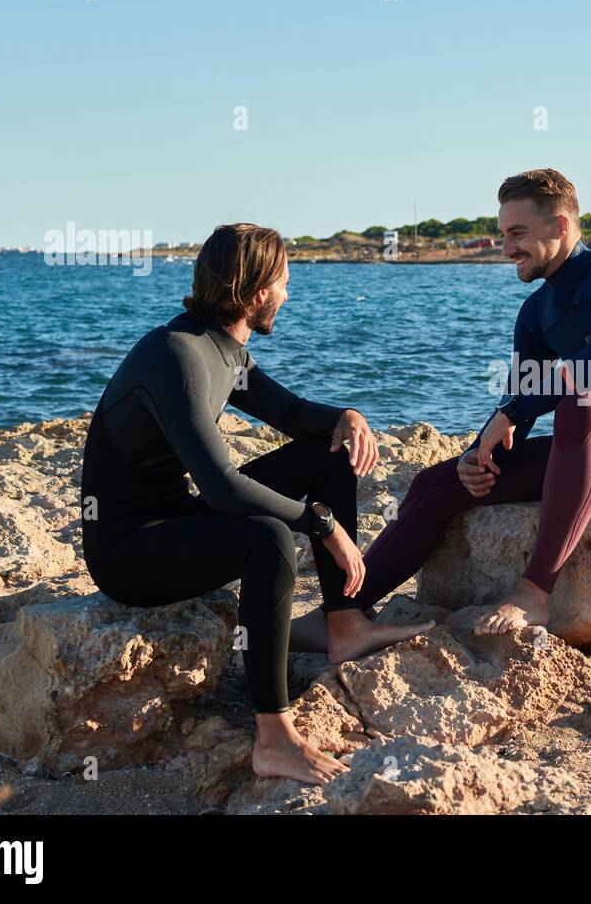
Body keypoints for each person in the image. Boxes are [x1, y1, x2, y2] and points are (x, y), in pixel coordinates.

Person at [79, 223, 431, 786]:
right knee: (266, 538)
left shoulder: (222, 349)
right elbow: (222, 489)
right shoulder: (176, 355)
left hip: (177, 519)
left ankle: (343, 623)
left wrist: (347, 417)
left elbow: (290, 414)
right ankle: (274, 739)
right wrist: (322, 524)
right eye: (285, 283)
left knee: (329, 452)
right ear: (255, 292)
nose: (289, 295)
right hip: (127, 553)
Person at [290, 168, 591, 647]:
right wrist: (478, 458)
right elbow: (516, 408)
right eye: (504, 234)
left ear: (561, 226)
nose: (507, 249)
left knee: (583, 403)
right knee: (435, 484)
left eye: (518, 233)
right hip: (585, 451)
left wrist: (514, 411)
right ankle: (343, 614)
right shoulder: (535, 312)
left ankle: (534, 592)